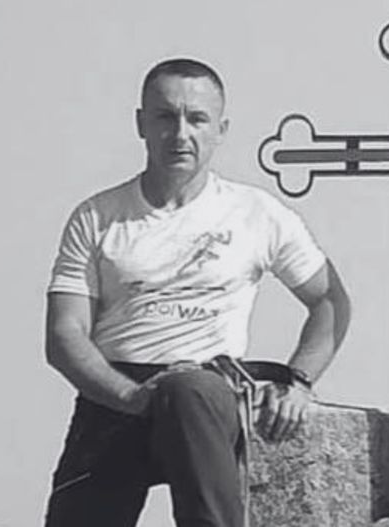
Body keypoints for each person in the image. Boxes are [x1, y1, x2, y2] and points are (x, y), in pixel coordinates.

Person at [43, 57, 351, 527]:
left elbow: (330, 301)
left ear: (220, 129)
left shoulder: (257, 213)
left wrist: (300, 381)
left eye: (197, 119)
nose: (180, 133)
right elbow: (65, 334)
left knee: (187, 391)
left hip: (204, 388)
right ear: (141, 123)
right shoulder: (98, 216)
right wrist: (129, 396)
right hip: (115, 391)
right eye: (166, 117)